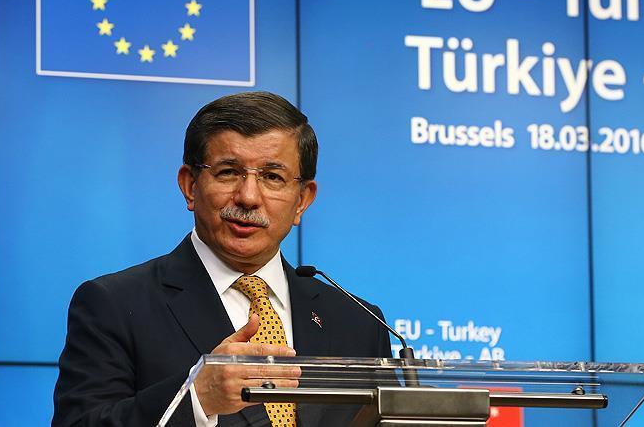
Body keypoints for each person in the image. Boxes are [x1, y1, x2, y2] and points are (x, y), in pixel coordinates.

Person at [52, 91, 392, 427]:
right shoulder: (114, 304)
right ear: (190, 185)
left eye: (272, 177)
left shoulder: (361, 324)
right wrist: (196, 398)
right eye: (228, 172)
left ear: (302, 200)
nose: (248, 197)